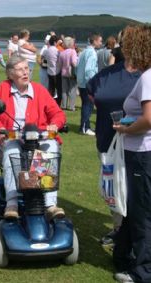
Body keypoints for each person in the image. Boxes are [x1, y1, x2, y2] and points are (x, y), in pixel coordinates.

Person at [0, 54, 66, 220]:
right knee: (11, 152)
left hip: (37, 137)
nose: (25, 72)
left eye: (27, 68)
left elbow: (57, 113)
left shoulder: (39, 90)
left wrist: (55, 124)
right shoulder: (4, 89)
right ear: (10, 74)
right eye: (20, 69)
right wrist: (0, 129)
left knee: (50, 148)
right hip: (13, 136)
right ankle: (11, 203)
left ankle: (50, 204)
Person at [111, 25, 151, 283]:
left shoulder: (148, 78)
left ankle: (144, 272)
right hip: (139, 153)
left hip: (141, 153)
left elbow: (148, 119)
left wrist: (126, 129)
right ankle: (123, 256)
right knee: (130, 207)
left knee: (141, 212)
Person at [87, 60, 140, 245]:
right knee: (113, 189)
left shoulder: (145, 73)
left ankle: (137, 234)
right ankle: (119, 230)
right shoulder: (107, 73)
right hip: (107, 141)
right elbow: (91, 92)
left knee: (137, 190)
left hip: (139, 143)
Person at [76, 34, 103, 135]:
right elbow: (89, 70)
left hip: (81, 82)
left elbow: (77, 66)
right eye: (100, 41)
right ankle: (84, 128)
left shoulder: (84, 51)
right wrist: (92, 83)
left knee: (86, 105)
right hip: (87, 82)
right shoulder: (92, 52)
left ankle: (85, 127)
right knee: (88, 105)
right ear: (95, 41)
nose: (101, 43)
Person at [59, 36, 78, 111]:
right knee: (72, 90)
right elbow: (74, 62)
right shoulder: (73, 51)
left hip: (63, 73)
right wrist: (77, 65)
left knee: (64, 90)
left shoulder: (62, 52)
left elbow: (60, 64)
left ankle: (63, 105)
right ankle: (71, 106)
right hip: (71, 73)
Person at [44, 35, 62, 106]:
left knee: (51, 89)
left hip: (49, 71)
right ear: (55, 42)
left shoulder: (47, 50)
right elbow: (60, 61)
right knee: (59, 89)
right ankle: (58, 103)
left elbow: (45, 60)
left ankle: (49, 102)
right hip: (56, 71)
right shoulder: (57, 51)